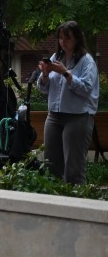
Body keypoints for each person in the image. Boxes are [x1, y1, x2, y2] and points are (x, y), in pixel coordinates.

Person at [37, 20, 99, 184]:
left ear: (77, 39)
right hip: (54, 116)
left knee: (73, 168)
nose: (63, 42)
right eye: (61, 38)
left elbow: (86, 89)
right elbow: (44, 89)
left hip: (77, 117)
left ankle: (77, 204)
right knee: (51, 166)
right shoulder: (56, 57)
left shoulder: (87, 61)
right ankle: (55, 203)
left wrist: (66, 73)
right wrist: (44, 75)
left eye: (67, 38)